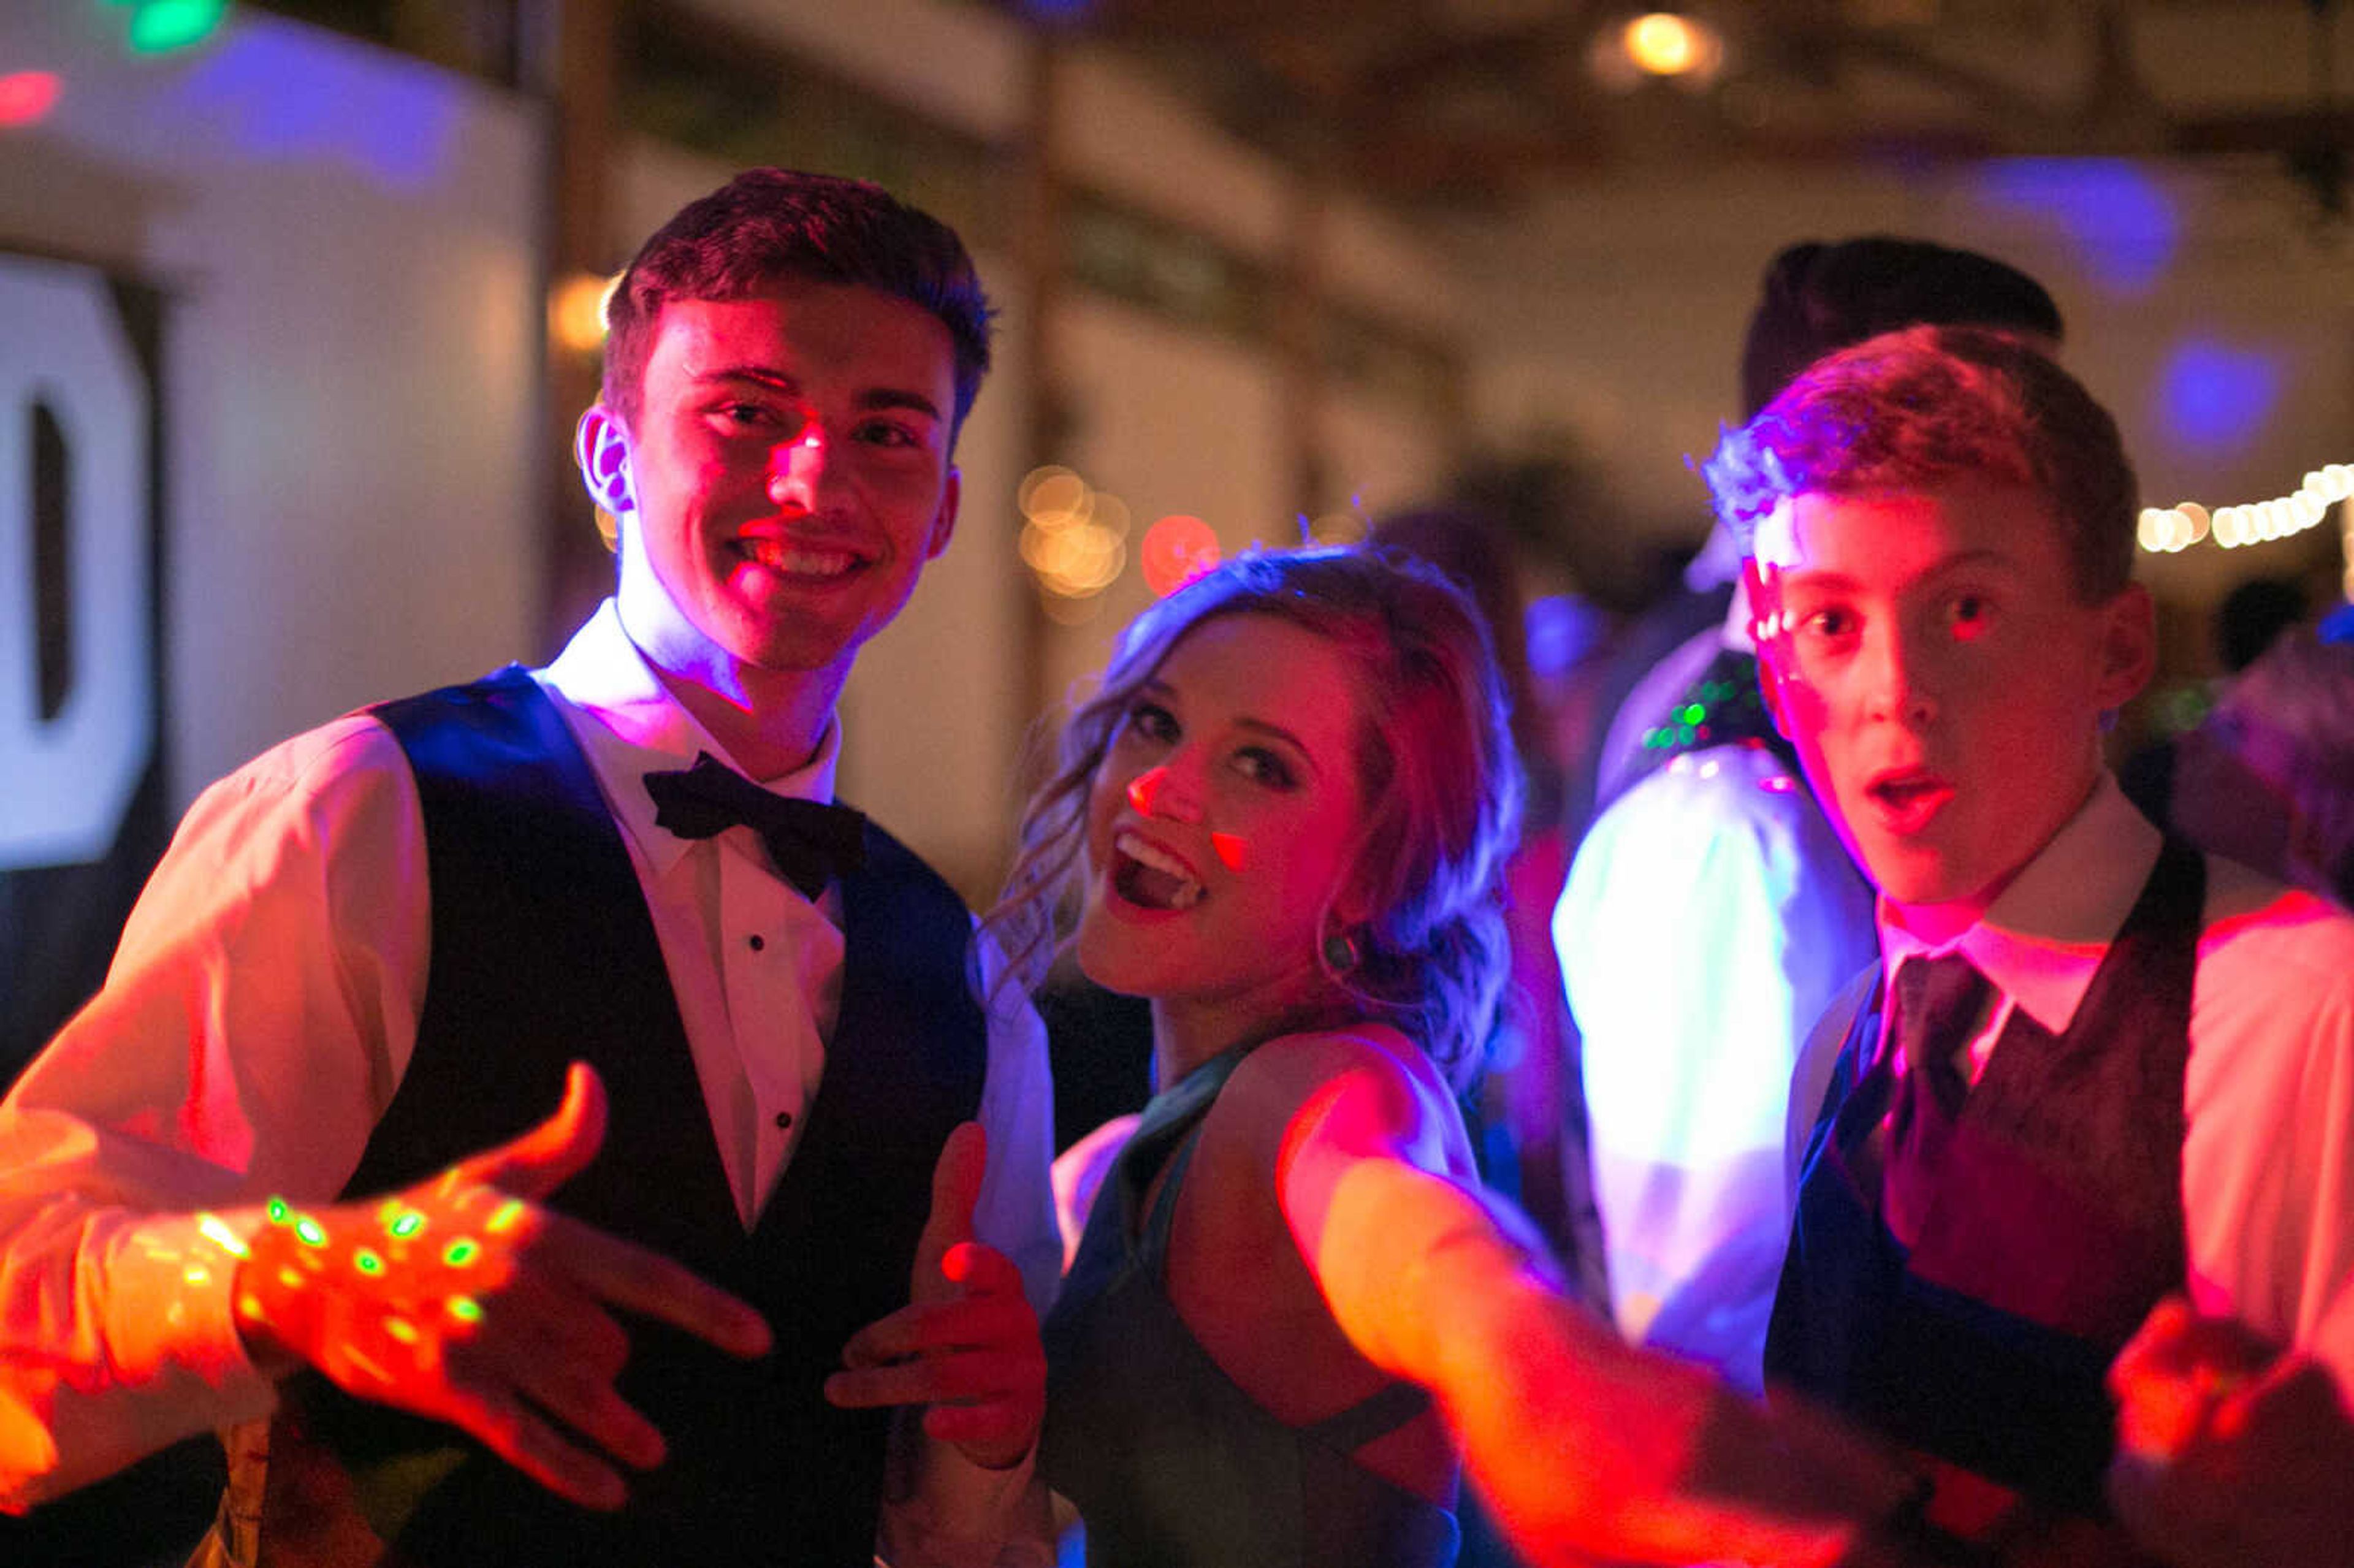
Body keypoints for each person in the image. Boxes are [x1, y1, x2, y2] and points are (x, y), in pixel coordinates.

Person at [0, 169, 1059, 1567]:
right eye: (749, 413)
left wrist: (993, 1444)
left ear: (940, 512)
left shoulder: (965, 987)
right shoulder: (359, 819)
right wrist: (294, 1280)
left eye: (887, 432)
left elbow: (961, 1538)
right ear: (613, 457)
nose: (817, 478)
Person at [989, 547, 1919, 1568]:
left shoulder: (1320, 1093)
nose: (1159, 788)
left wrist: (1521, 1353)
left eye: (1261, 764)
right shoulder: (1140, 1157)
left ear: (1375, 873)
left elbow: (1428, 1249)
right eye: (1157, 721)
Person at [1705, 325, 2354, 1548]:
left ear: (2115, 649)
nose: (1898, 688)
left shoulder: (2304, 1014)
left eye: (1965, 607)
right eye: (1832, 622)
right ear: (1782, 676)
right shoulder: (1852, 1040)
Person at [1555, 238, 2065, 1389]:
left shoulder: (1851, 735)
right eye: (1995, 431)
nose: (2050, 481)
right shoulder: (1734, 817)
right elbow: (1707, 1313)